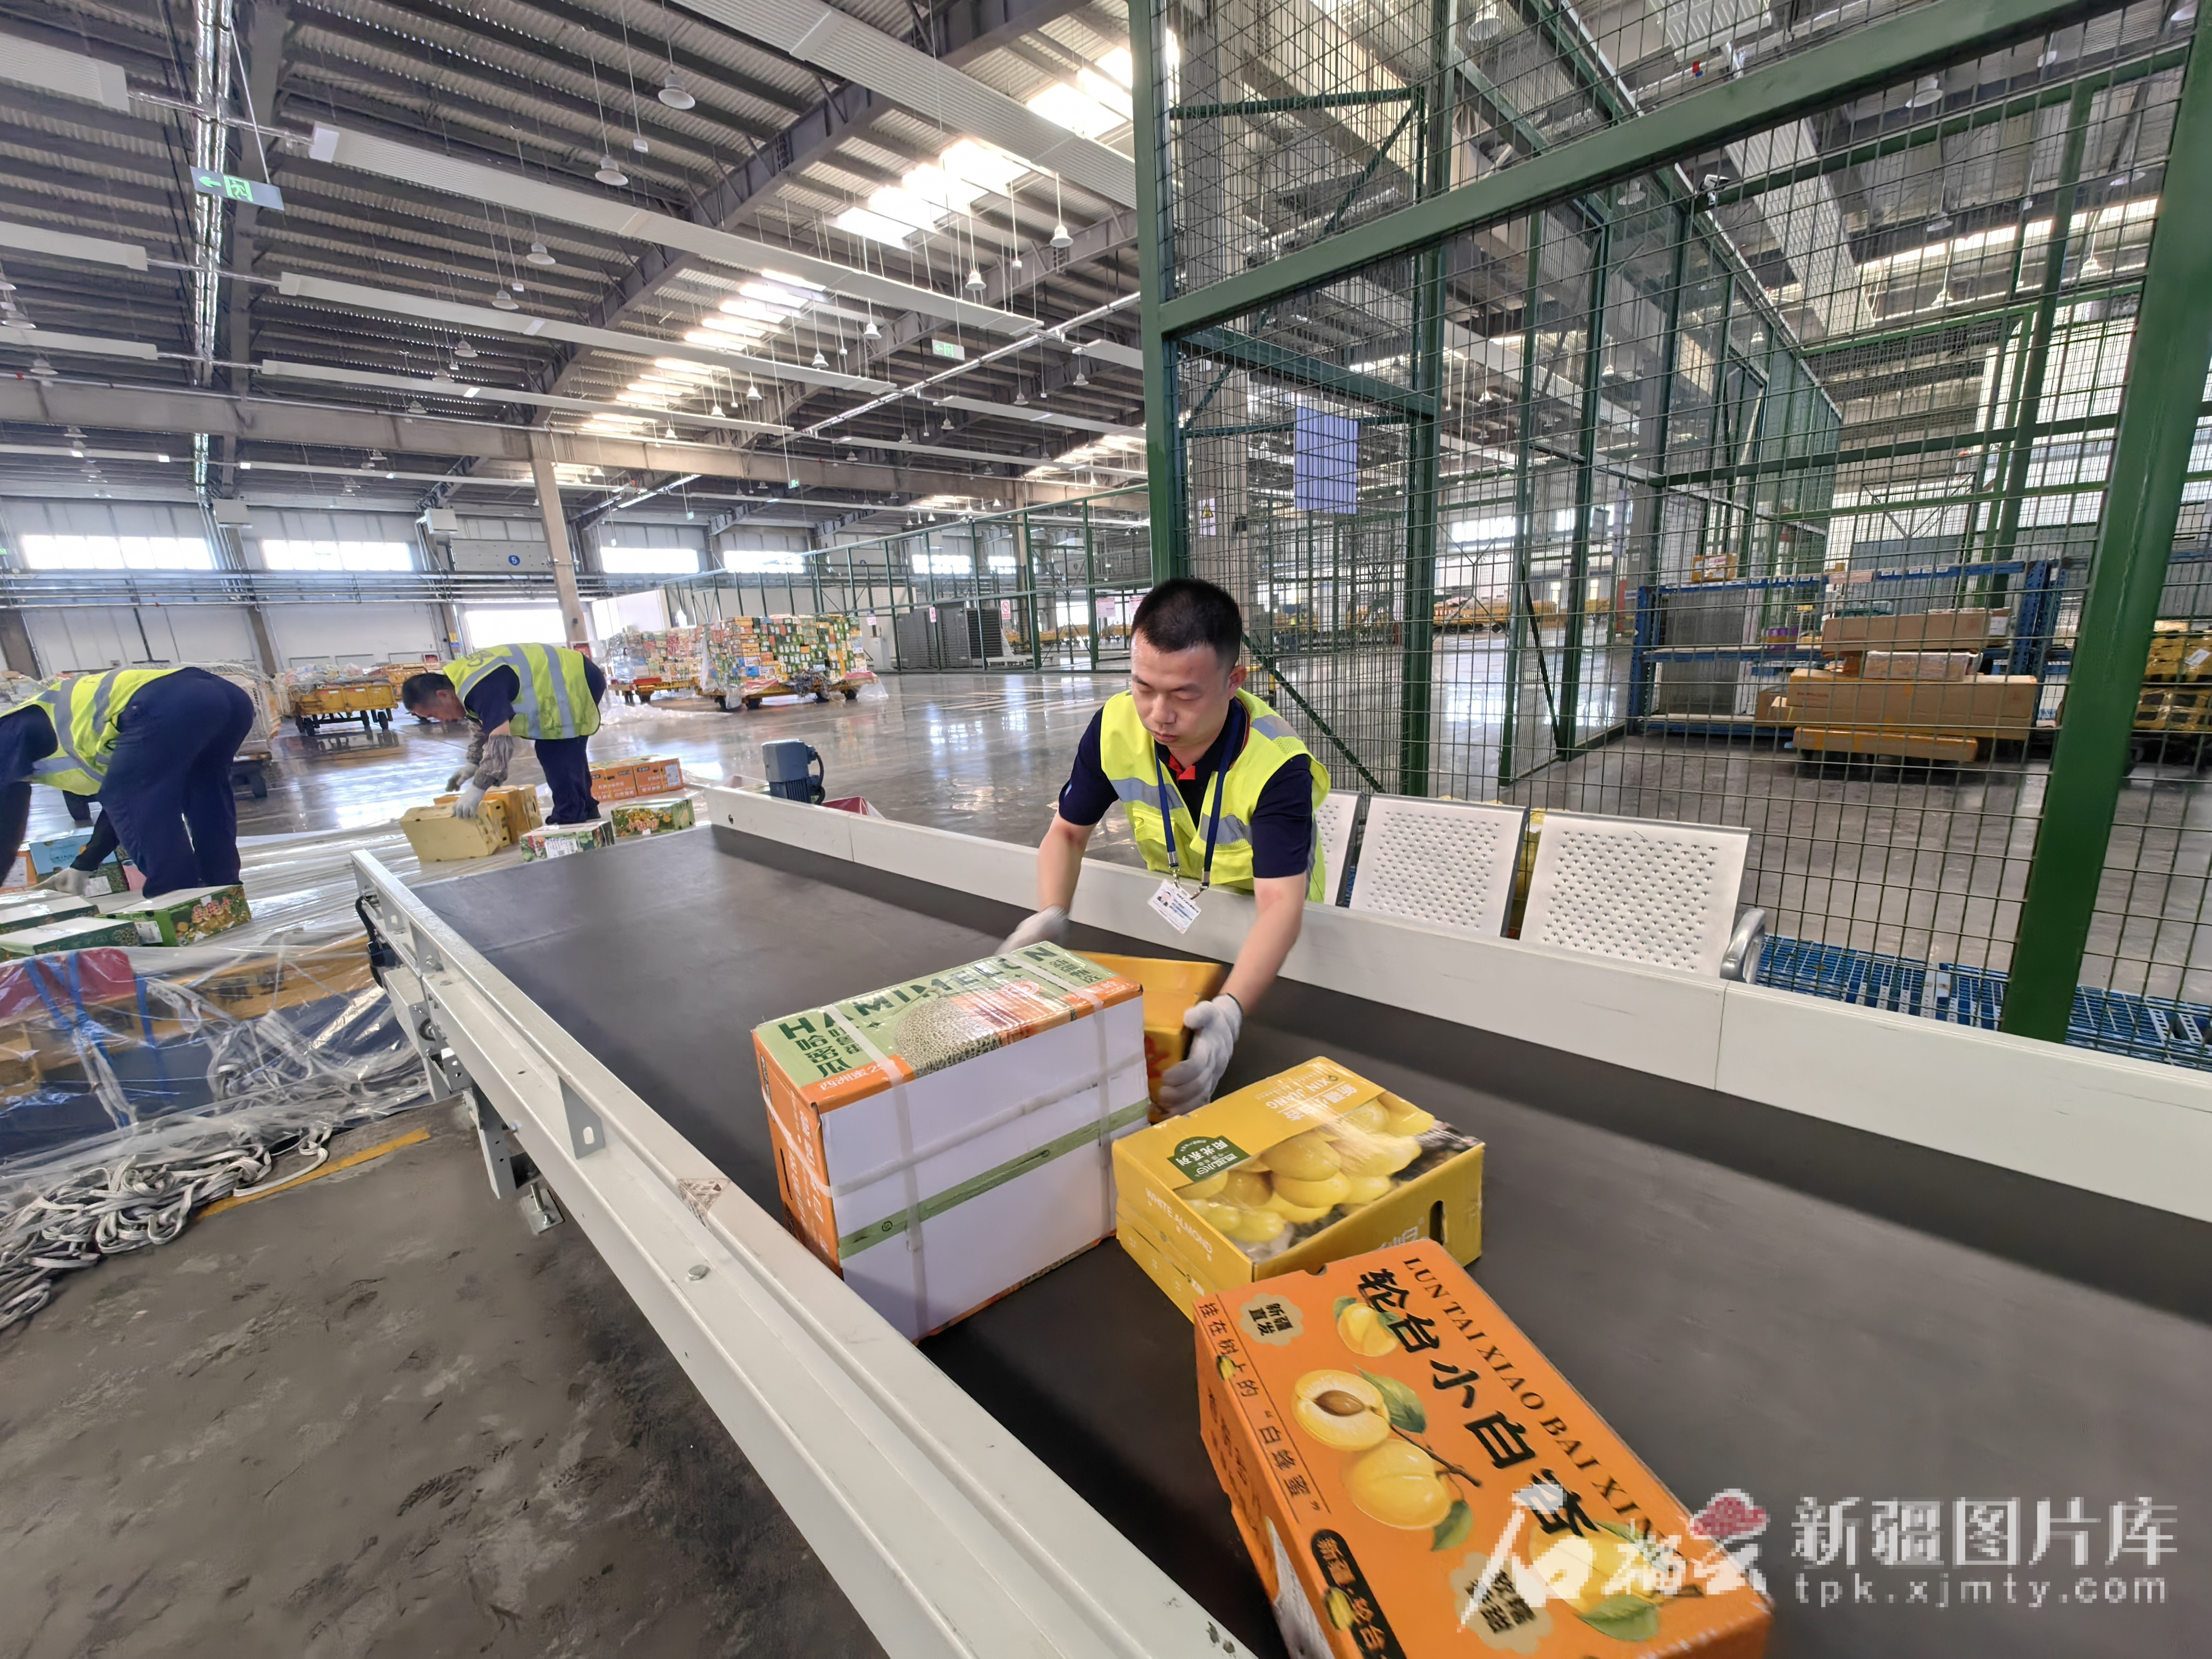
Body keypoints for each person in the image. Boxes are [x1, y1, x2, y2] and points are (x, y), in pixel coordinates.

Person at [1001, 577, 1329, 1113]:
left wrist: (1231, 1012)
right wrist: (1050, 914)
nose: (1158, 714)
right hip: (1183, 933)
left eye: (1183, 694)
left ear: (1233, 681)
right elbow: (1067, 832)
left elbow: (1280, 906)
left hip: (1277, 949)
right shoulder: (1115, 728)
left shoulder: (1276, 767)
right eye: (1144, 687)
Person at [0, 667, 255, 898]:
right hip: (227, 698)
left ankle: (178, 899)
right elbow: (129, 806)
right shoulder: (37, 732)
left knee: (133, 794)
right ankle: (222, 891)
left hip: (165, 703)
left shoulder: (7, 733)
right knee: (202, 788)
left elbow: (6, 823)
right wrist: (85, 864)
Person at [401, 643, 606, 824]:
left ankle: (570, 818)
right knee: (564, 747)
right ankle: (585, 809)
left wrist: (478, 789)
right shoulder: (463, 681)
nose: (441, 720)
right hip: (573, 674)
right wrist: (473, 763)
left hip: (575, 678)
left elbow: (500, 741)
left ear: (443, 695)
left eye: (433, 714)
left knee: (555, 747)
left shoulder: (480, 687)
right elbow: (483, 727)